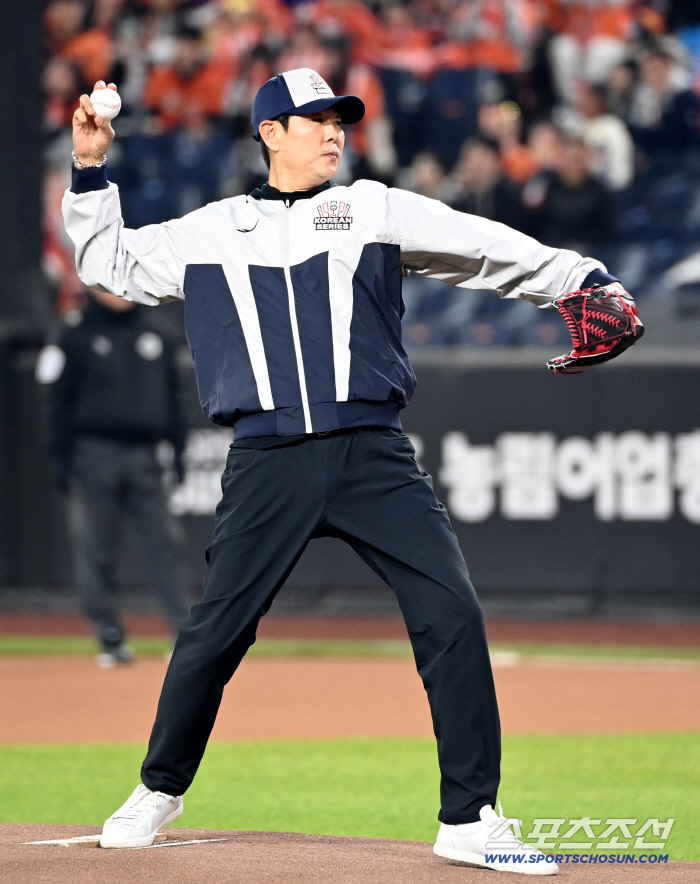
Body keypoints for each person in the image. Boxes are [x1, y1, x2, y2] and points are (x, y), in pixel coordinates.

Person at [63, 68, 638, 873]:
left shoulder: (372, 207)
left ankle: (470, 816)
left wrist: (578, 278)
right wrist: (91, 172)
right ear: (270, 132)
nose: (334, 132)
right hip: (266, 460)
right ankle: (159, 787)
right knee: (214, 633)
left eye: (340, 119)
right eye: (315, 119)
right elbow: (108, 264)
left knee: (452, 613)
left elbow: (482, 243)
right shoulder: (210, 229)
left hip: (373, 451)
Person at [37, 287, 192, 666]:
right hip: (93, 454)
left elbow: (177, 398)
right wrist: (61, 459)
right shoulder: (74, 332)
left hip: (145, 455)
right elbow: (55, 402)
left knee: (165, 546)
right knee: (96, 549)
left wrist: (179, 451)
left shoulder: (159, 331)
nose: (119, 292)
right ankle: (109, 636)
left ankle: (185, 636)